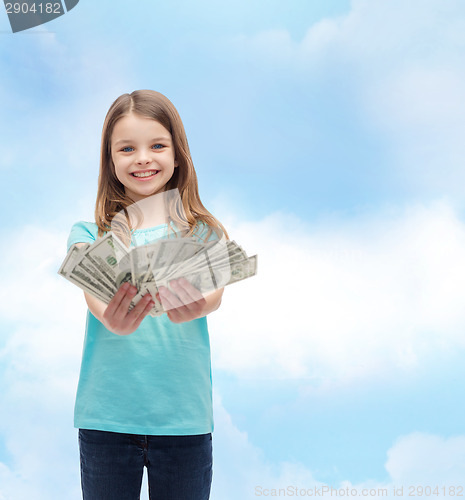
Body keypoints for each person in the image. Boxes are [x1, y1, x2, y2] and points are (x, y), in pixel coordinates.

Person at [66, 90, 229, 500]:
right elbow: (94, 296)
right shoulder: (89, 234)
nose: (142, 158)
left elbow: (215, 294)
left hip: (184, 422)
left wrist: (197, 304)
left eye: (157, 145)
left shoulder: (203, 233)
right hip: (106, 419)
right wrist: (110, 317)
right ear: (110, 160)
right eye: (127, 148)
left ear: (178, 156)